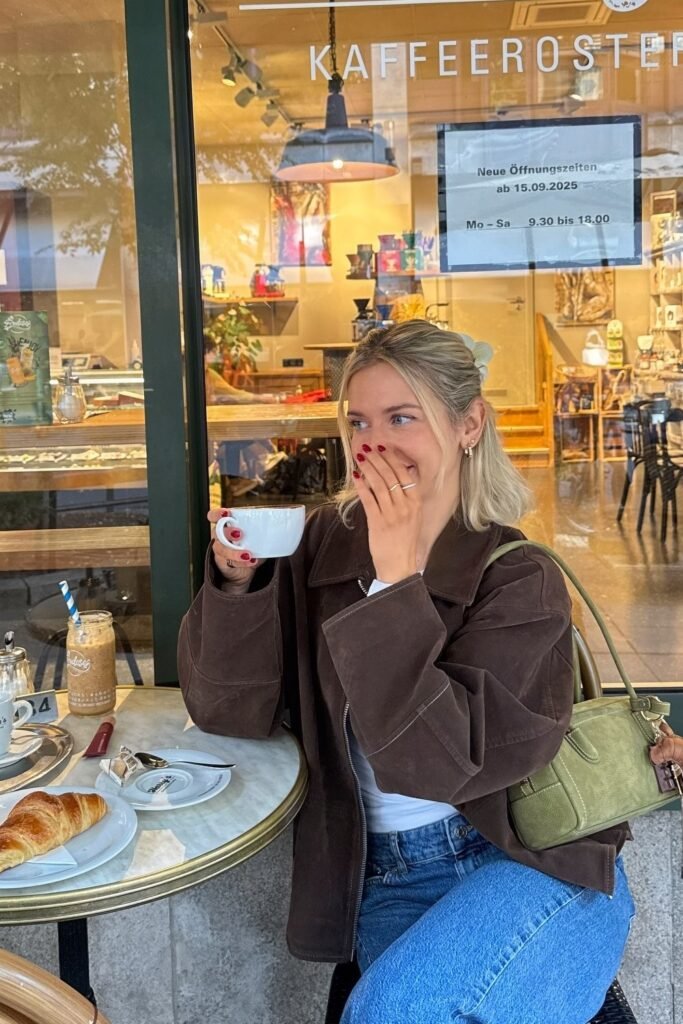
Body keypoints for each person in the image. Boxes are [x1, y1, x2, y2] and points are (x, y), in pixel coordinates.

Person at [178, 320, 635, 1024]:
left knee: (391, 1009)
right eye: (358, 421)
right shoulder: (323, 546)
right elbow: (225, 710)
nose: (374, 443)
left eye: (401, 417)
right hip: (384, 875)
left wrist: (394, 587)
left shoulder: (517, 577)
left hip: (523, 860)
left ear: (467, 425)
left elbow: (440, 766)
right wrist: (236, 587)